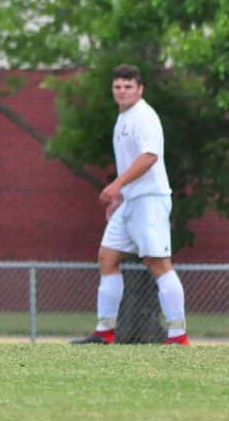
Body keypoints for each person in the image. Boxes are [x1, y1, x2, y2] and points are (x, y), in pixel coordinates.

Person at [72, 64, 188, 345]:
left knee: (158, 263)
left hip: (150, 199)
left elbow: (150, 156)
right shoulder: (123, 118)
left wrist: (116, 185)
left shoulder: (144, 116)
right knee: (107, 257)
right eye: (118, 86)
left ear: (140, 89)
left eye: (128, 86)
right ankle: (104, 332)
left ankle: (178, 335)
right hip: (131, 200)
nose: (122, 91)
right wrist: (120, 196)